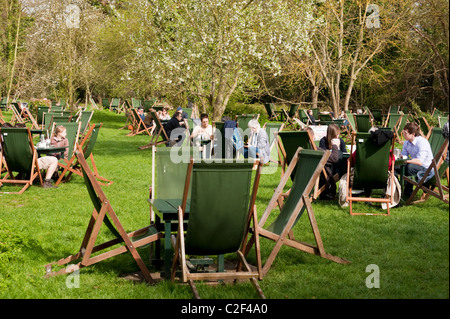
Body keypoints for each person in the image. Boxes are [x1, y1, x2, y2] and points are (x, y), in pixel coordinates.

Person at [398, 122, 433, 200]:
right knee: (395, 166)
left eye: (405, 133)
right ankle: (397, 190)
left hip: (426, 169)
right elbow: (404, 155)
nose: (403, 135)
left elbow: (420, 162)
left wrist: (406, 160)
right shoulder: (406, 142)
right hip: (415, 165)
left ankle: (408, 191)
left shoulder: (422, 142)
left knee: (409, 167)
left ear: (413, 134)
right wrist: (400, 158)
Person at [318, 124, 344, 200]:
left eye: (338, 134)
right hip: (328, 165)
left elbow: (344, 152)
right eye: (336, 135)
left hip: (338, 164)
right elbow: (323, 155)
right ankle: (328, 191)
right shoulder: (323, 141)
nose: (337, 137)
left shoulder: (341, 141)